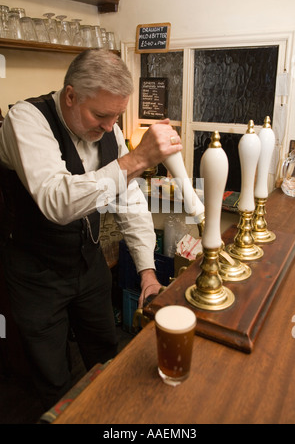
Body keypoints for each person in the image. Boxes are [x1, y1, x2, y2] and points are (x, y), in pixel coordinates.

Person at [0, 49, 182, 409]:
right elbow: (57, 201)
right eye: (101, 114)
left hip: (87, 263)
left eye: (117, 115)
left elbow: (130, 203)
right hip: (35, 273)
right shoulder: (26, 119)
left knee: (105, 351)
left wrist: (147, 273)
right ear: (70, 96)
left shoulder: (110, 133)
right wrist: (136, 159)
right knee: (51, 378)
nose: (110, 126)